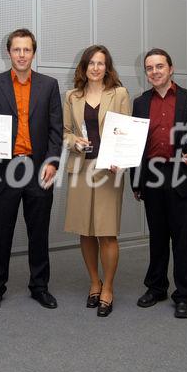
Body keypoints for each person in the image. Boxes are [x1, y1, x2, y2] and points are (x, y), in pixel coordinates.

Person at [131, 48, 187, 319]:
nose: (155, 71)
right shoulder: (141, 102)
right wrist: (135, 181)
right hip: (152, 177)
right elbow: (135, 145)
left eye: (159, 66)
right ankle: (156, 288)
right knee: (157, 238)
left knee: (181, 240)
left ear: (171, 68)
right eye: (149, 68)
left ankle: (184, 295)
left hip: (181, 176)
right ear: (146, 73)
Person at [0, 28, 63, 312]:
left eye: (27, 50)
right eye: (17, 49)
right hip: (4, 169)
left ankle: (39, 287)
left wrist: (53, 161)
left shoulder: (49, 85)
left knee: (38, 233)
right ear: (9, 52)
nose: (22, 55)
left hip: (39, 169)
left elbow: (56, 129)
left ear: (33, 53)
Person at [64, 45, 131, 317]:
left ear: (107, 67)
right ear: (84, 66)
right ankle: (94, 282)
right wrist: (74, 142)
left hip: (109, 171)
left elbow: (128, 131)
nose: (95, 68)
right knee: (86, 231)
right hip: (82, 169)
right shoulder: (72, 96)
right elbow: (66, 131)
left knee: (107, 231)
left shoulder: (120, 94)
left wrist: (121, 158)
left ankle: (109, 287)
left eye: (101, 63)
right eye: (91, 63)